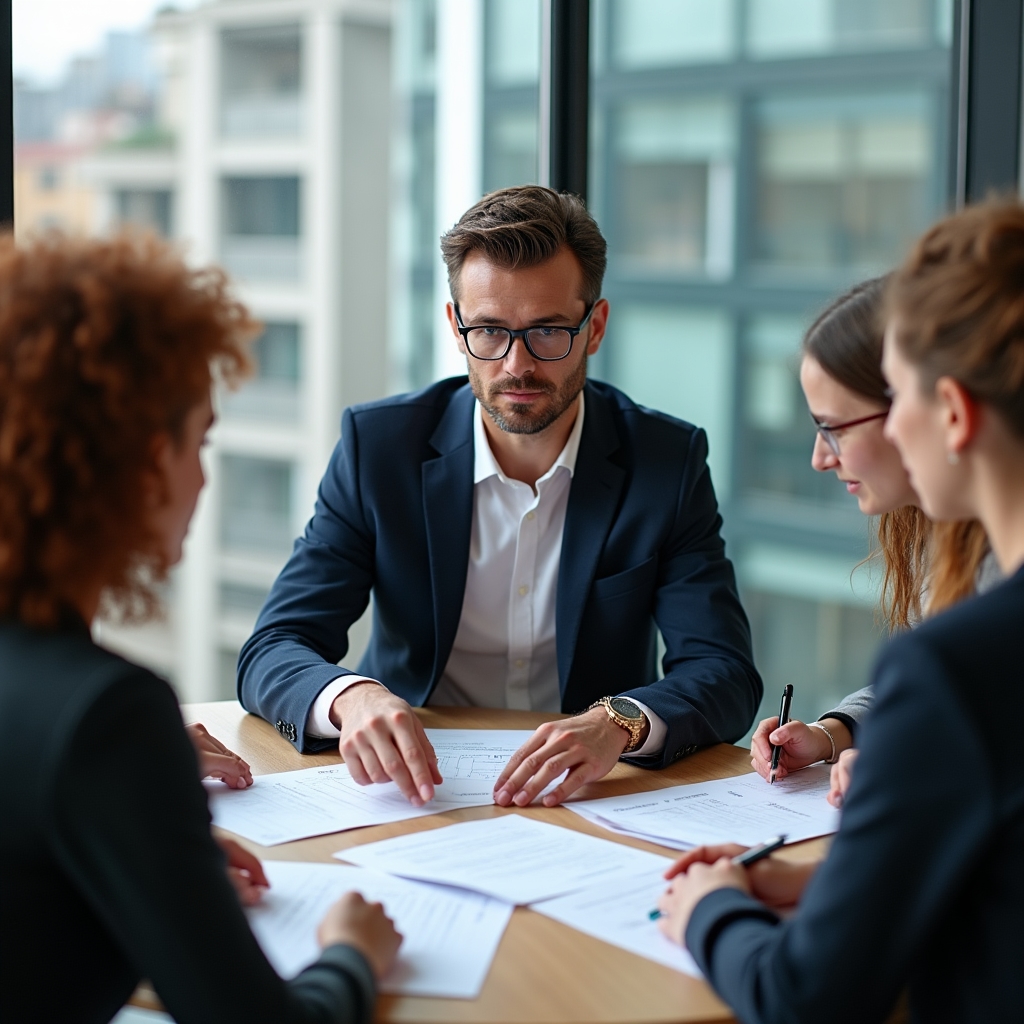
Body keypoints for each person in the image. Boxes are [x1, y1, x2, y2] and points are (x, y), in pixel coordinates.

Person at [239, 185, 762, 808]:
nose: (516, 365)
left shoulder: (665, 463)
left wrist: (617, 722)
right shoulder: (380, 448)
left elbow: (723, 671)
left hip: (589, 793)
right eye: (488, 330)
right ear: (456, 329)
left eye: (547, 332)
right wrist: (354, 697)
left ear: (593, 328)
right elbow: (273, 648)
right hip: (417, 787)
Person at [0, 233, 400, 1023]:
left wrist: (136, 850)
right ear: (152, 465)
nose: (205, 475)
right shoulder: (108, 716)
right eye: (202, 440)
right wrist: (353, 952)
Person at [655, 199, 1024, 1023]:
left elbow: (805, 999)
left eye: (899, 399)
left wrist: (711, 909)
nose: (825, 456)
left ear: (954, 413)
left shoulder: (959, 663)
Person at [747, 277, 998, 800]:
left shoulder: (1003, 568)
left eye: (834, 428)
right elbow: (928, 690)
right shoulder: (929, 526)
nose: (820, 457)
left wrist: (913, 763)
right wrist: (831, 734)